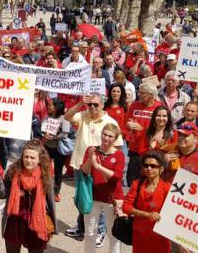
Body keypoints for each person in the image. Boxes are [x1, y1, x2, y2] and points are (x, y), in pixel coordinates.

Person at [0, 140, 56, 253]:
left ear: (39, 159)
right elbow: (2, 194)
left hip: (36, 220)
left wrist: (52, 224)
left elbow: (51, 203)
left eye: (32, 158)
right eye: (26, 157)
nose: (28, 160)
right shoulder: (13, 172)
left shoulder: (45, 176)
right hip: (15, 220)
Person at [81, 124, 125, 253]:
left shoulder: (119, 155)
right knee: (89, 233)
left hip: (113, 199)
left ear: (115, 139)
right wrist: (90, 158)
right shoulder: (92, 150)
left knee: (114, 235)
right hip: (93, 197)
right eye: (104, 134)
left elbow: (116, 177)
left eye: (110, 136)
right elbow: (84, 171)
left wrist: (99, 167)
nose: (106, 138)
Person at [121, 151, 171, 253]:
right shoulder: (137, 184)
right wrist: (147, 214)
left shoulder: (168, 188)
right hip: (140, 235)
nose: (149, 168)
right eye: (146, 165)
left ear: (161, 169)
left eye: (153, 166)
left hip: (160, 237)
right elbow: (125, 207)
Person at [40, 98, 71, 202]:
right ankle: (43, 189)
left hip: (59, 149)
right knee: (44, 168)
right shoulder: (46, 117)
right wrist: (44, 135)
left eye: (51, 105)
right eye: (48, 105)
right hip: (47, 147)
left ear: (57, 107)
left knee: (58, 171)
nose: (48, 107)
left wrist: (54, 137)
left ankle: (56, 192)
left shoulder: (64, 119)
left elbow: (65, 133)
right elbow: (42, 129)